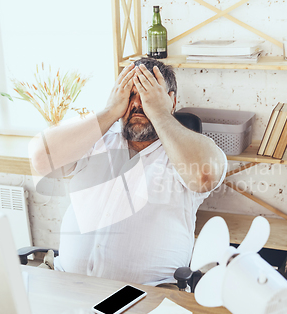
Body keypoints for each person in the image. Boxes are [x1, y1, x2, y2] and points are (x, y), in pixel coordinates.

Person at [29, 58, 227, 286]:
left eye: (148, 93)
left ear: (171, 101)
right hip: (68, 284)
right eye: (130, 94)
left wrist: (160, 114)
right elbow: (41, 160)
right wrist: (111, 110)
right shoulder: (95, 140)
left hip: (148, 296)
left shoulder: (184, 152)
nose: (137, 104)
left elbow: (204, 176)